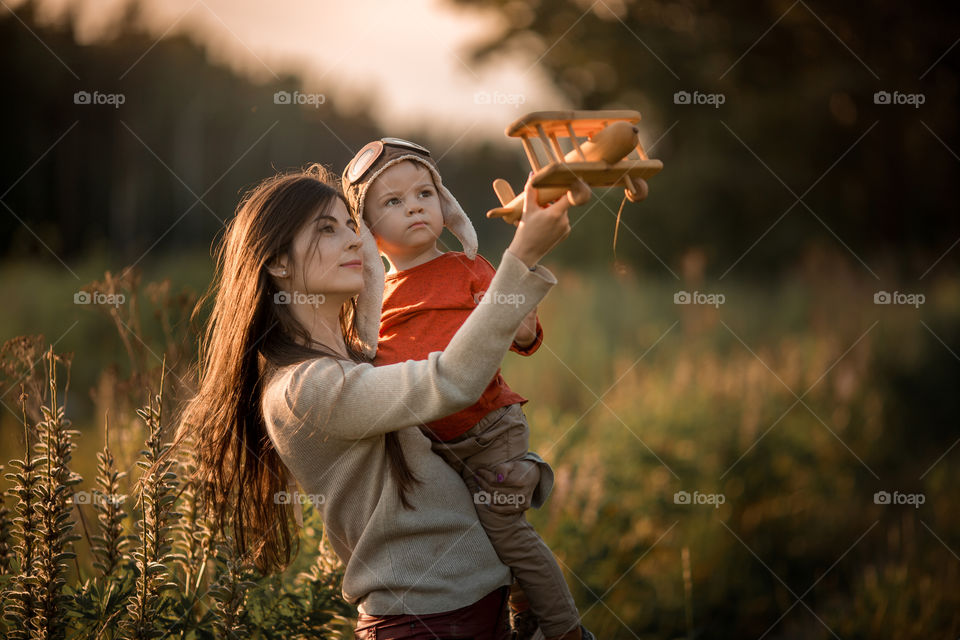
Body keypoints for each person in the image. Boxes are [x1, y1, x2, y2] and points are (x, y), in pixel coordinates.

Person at [167, 162, 574, 639]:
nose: (354, 241)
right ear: (278, 263)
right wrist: (521, 255)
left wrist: (523, 468)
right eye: (327, 229)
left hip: (475, 611)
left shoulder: (361, 357)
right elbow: (451, 382)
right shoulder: (303, 388)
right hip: (425, 626)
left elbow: (443, 456)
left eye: (350, 226)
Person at [341, 138, 588, 640]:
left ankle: (566, 631)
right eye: (392, 201)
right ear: (366, 233)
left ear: (446, 206)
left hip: (489, 429)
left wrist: (522, 311)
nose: (413, 205)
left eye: (424, 194)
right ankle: (525, 616)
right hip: (435, 449)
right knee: (480, 537)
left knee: (508, 533)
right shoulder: (371, 304)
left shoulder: (466, 269)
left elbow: (521, 336)